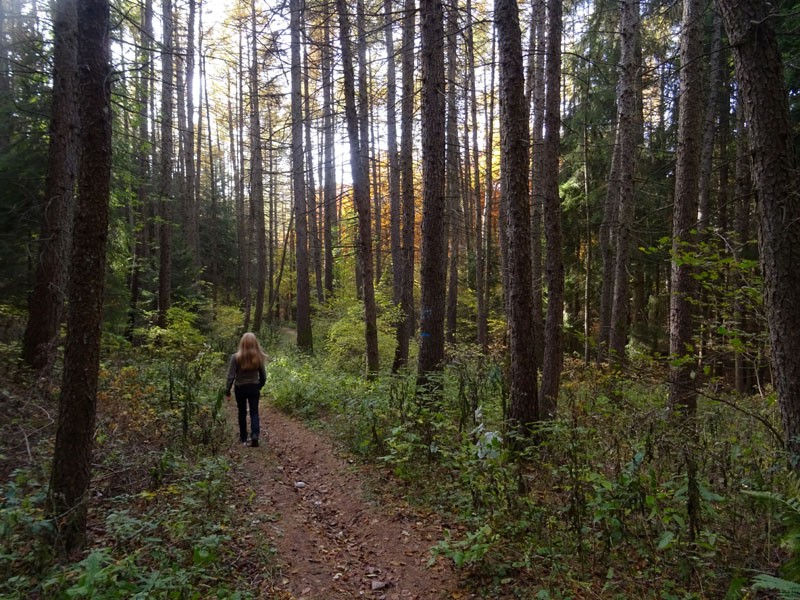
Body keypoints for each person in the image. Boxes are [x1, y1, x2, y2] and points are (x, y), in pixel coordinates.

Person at [225, 332, 267, 447]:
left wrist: (227, 390)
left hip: (240, 388)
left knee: (242, 413)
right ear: (255, 344)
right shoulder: (258, 357)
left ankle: (243, 438)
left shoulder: (236, 357)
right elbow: (263, 376)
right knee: (254, 412)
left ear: (242, 343)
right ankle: (254, 435)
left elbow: (231, 376)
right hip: (254, 387)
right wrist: (259, 386)